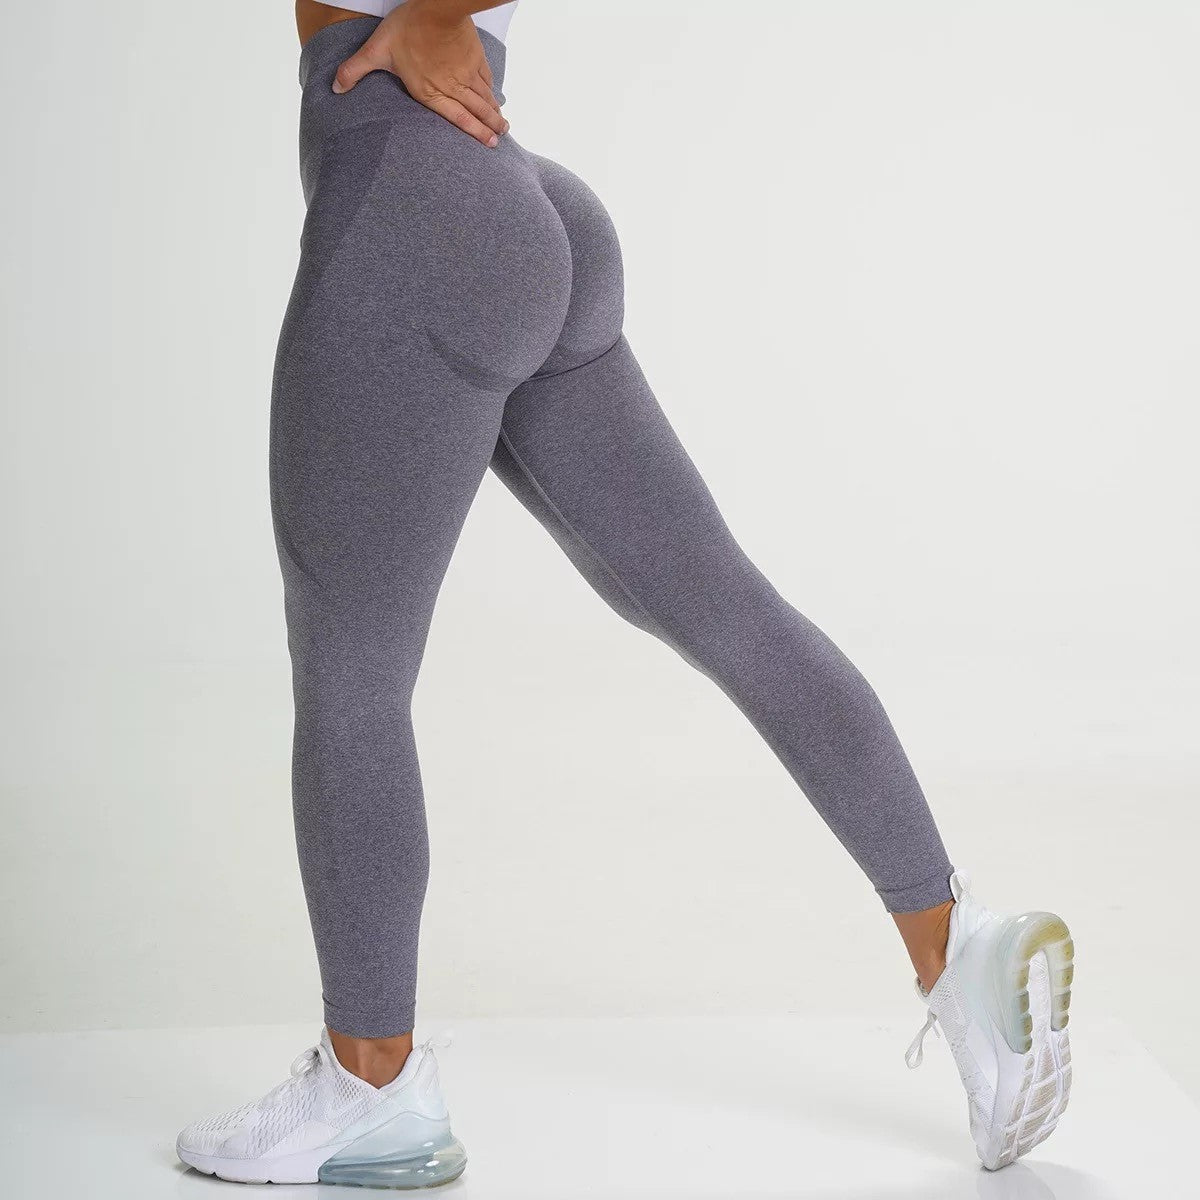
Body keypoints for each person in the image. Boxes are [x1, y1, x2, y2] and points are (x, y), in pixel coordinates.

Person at [176, 0, 1075, 1186]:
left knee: (352, 668)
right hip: (523, 209)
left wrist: (435, 14)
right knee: (721, 603)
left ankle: (371, 1089)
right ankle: (958, 947)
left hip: (414, 213)